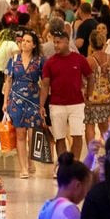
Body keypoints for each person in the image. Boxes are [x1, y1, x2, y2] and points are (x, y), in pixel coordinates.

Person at [42, 28, 93, 159]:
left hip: (77, 104)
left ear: (67, 42)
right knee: (59, 137)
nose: (56, 45)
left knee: (77, 135)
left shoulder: (79, 59)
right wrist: (41, 105)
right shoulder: (50, 62)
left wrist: (89, 95)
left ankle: (74, 163)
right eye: (54, 42)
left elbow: (90, 77)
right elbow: (45, 85)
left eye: (58, 42)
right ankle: (63, 164)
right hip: (56, 104)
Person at [3, 30, 45, 178]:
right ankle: (23, 168)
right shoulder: (14, 59)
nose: (24, 43)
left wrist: (42, 104)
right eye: (23, 41)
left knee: (32, 135)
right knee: (20, 134)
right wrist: (5, 101)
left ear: (34, 45)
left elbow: (45, 82)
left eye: (28, 41)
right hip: (16, 100)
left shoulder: (39, 61)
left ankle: (30, 161)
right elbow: (8, 81)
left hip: (33, 100)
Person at [83, 29, 110, 146]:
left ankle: (91, 156)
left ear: (91, 44)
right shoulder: (109, 59)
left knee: (90, 126)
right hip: (106, 98)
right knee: (104, 126)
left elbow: (84, 80)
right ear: (103, 43)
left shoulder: (88, 60)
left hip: (92, 97)